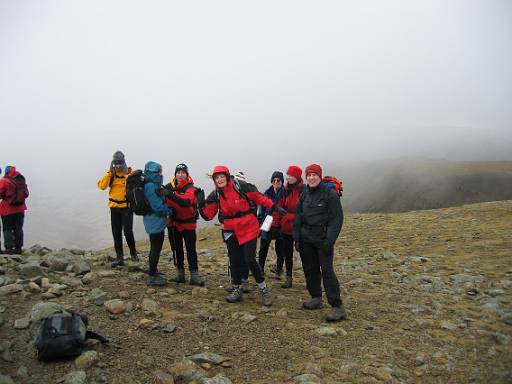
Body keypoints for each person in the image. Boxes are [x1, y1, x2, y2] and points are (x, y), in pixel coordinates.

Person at [197, 165, 286, 306]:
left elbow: (259, 198)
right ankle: (237, 289)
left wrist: (274, 208)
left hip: (248, 226)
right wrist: (200, 204)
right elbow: (208, 215)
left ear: (227, 176)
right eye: (216, 178)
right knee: (234, 259)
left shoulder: (242, 186)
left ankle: (264, 290)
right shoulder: (216, 194)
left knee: (250, 259)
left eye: (221, 176)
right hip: (230, 228)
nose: (219, 180)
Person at [293, 164, 346, 322]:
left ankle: (337, 306)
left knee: (327, 272)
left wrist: (329, 241)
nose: (311, 178)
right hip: (306, 239)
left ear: (320, 176)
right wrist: (297, 238)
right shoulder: (304, 193)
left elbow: (337, 220)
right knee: (310, 269)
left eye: (314, 175)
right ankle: (316, 298)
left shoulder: (330, 195)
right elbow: (298, 217)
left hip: (322, 240)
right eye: (309, 175)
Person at [163, 163, 204, 286]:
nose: (180, 175)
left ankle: (194, 276)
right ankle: (180, 274)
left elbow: (186, 202)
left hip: (188, 224)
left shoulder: (190, 188)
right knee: (176, 249)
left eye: (183, 173)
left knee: (191, 250)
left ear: (187, 175)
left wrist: (170, 194)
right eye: (178, 172)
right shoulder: (168, 186)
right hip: (173, 224)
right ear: (175, 174)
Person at [97, 151, 138, 267]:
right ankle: (119, 257)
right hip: (114, 208)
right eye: (116, 163)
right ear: (113, 163)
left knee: (128, 232)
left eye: (120, 163)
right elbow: (101, 186)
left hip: (126, 208)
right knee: (116, 233)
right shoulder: (111, 175)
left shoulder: (129, 174)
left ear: (124, 162)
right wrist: (110, 172)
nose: (118, 166)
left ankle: (133, 253)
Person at [143, 161, 174, 286]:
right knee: (156, 248)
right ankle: (151, 275)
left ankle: (153, 270)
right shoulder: (151, 186)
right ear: (154, 172)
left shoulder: (150, 183)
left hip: (152, 220)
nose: (161, 173)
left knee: (154, 247)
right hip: (155, 221)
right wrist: (170, 211)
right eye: (159, 171)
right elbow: (157, 207)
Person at [276, 165, 304, 288]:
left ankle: (310, 278)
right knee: (288, 253)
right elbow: (277, 207)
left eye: (291, 175)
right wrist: (276, 223)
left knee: (305, 253)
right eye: (287, 175)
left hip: (300, 227)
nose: (288, 177)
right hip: (286, 227)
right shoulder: (284, 190)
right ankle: (289, 278)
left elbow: (306, 208)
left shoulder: (304, 190)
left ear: (297, 177)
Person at [258, 171, 285, 279]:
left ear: (282, 181)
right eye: (274, 180)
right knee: (263, 247)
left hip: (281, 222)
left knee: (280, 248)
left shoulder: (285, 192)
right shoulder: (267, 193)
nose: (276, 182)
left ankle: (279, 270)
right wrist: (260, 223)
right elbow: (262, 209)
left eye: (278, 180)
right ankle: (260, 269)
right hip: (267, 221)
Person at [0, 166, 29, 255]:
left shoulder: (4, 181)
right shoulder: (20, 180)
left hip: (7, 210)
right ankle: (18, 248)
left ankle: (9, 249)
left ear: (6, 172)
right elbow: (26, 194)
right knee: (18, 228)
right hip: (20, 209)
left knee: (7, 229)